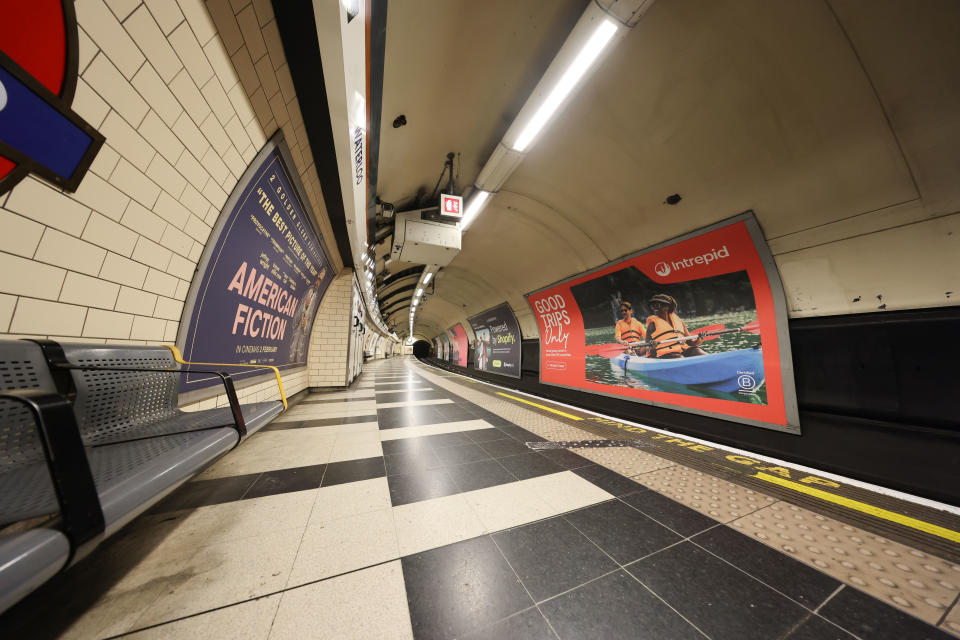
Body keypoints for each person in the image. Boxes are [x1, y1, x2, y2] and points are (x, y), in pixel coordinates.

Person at [645, 293, 706, 358]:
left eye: (657, 305)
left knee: (697, 351)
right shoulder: (652, 324)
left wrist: (700, 339)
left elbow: (691, 343)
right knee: (679, 357)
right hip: (664, 353)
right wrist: (651, 346)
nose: (654, 308)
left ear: (667, 307)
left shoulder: (679, 322)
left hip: (683, 349)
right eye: (652, 306)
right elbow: (648, 349)